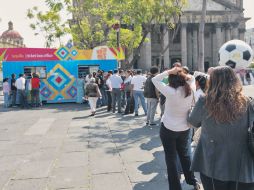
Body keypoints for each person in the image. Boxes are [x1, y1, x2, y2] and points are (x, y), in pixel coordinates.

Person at [188, 66, 254, 190]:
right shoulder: (248, 102)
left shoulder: (204, 101)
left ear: (212, 82)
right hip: (243, 167)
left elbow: (193, 122)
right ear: (235, 80)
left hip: (213, 166)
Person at [152, 67, 200, 190]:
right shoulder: (191, 89)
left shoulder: (170, 91)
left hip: (168, 128)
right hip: (184, 128)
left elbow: (155, 79)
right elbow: (193, 77)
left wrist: (169, 71)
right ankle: (192, 181)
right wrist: (182, 74)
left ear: (171, 80)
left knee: (171, 158)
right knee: (185, 155)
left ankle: (175, 187)